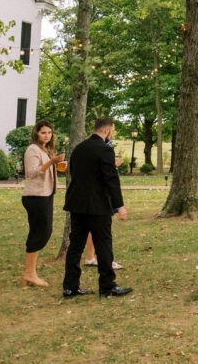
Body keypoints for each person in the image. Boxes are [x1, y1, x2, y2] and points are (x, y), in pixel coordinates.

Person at [62, 117, 132, 298]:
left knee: (75, 246)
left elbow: (75, 173)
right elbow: (111, 180)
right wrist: (120, 206)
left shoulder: (79, 148)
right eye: (112, 131)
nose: (112, 134)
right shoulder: (105, 150)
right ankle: (107, 286)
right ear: (107, 130)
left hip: (77, 204)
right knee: (103, 245)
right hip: (98, 205)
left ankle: (70, 286)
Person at [20, 120, 65, 288]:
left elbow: (45, 170)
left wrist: (56, 164)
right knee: (39, 233)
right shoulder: (32, 149)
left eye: (49, 133)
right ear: (36, 134)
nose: (47, 135)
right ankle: (29, 273)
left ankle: (30, 272)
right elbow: (31, 173)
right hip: (35, 196)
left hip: (46, 195)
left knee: (44, 231)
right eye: (43, 133)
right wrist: (51, 162)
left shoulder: (44, 150)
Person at [83, 152, 124, 271]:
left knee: (95, 227)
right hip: (100, 193)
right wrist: (113, 165)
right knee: (101, 229)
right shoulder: (100, 147)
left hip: (99, 192)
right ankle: (103, 261)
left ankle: (90, 257)